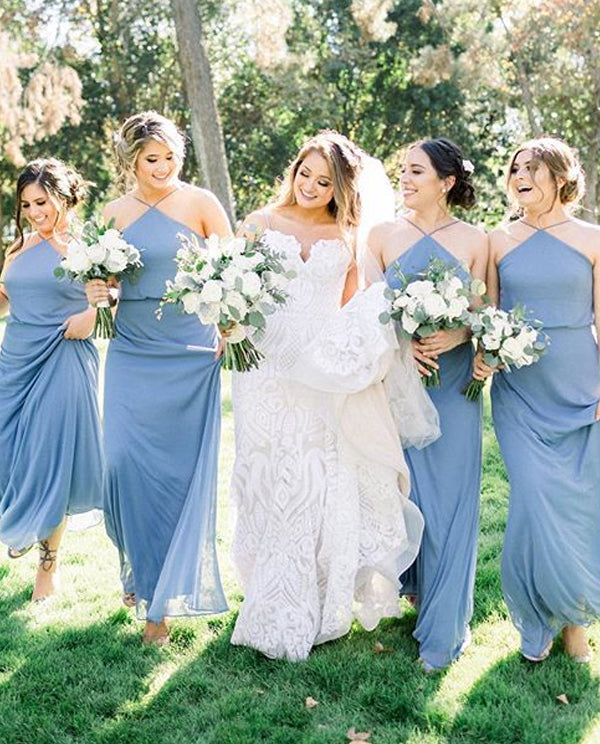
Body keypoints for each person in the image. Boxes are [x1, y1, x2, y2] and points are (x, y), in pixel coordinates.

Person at [229, 130, 439, 661]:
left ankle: (307, 598)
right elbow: (232, 287)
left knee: (309, 478)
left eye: (324, 182)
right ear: (293, 171)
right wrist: (227, 322)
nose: (310, 186)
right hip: (264, 369)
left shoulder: (348, 237)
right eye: (305, 174)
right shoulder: (258, 223)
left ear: (340, 189)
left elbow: (354, 307)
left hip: (318, 372)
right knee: (262, 475)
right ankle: (264, 587)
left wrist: (365, 355)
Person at [85, 111, 231, 644]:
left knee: (175, 477)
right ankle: (139, 563)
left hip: (190, 350)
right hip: (133, 348)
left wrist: (230, 323)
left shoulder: (202, 204)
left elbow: (234, 269)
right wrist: (98, 291)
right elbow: (103, 281)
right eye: (153, 158)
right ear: (132, 160)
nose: (164, 167)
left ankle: (157, 604)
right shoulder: (113, 213)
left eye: (172, 157)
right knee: (122, 466)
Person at [475, 136, 600, 662]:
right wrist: (484, 353)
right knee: (533, 501)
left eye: (533, 167)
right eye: (515, 168)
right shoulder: (497, 240)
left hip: (581, 389)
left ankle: (574, 621)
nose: (520, 176)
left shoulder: (592, 239)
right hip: (521, 392)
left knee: (577, 506)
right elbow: (489, 314)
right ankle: (534, 619)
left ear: (561, 176)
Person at [368, 138, 488, 671]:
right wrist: (403, 344)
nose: (406, 179)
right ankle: (414, 587)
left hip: (454, 387)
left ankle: (444, 628)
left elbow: (485, 312)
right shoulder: (381, 235)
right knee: (408, 494)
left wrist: (458, 334)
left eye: (417, 171)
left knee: (451, 503)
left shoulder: (475, 240)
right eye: (403, 170)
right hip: (400, 384)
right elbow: (366, 313)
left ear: (446, 181)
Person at [0, 158, 103, 602]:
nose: (34, 212)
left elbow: (113, 296)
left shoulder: (88, 247)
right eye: (26, 205)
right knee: (8, 452)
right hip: (15, 360)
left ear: (63, 197)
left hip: (64, 356)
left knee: (50, 460)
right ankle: (20, 518)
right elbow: (8, 298)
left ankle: (48, 563)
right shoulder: (18, 247)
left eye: (41, 202)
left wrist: (92, 314)